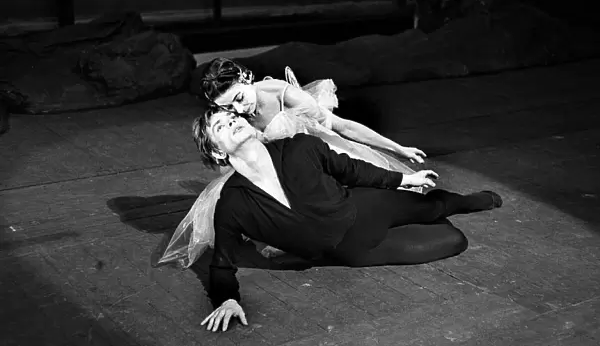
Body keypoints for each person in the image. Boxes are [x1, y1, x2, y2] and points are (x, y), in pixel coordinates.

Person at [197, 107, 502, 332]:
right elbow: (222, 263)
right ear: (217, 152)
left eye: (232, 116)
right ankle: (426, 216)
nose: (232, 121)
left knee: (433, 206)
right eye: (221, 126)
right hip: (353, 250)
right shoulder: (233, 203)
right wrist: (227, 299)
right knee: (454, 241)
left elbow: (352, 170)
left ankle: (463, 202)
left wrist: (402, 180)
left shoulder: (299, 147)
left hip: (367, 206)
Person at [156, 58, 428, 267]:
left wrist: (398, 149)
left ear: (246, 78)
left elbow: (342, 127)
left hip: (318, 158)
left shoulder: (283, 95)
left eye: (239, 99)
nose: (239, 112)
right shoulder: (234, 112)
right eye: (229, 108)